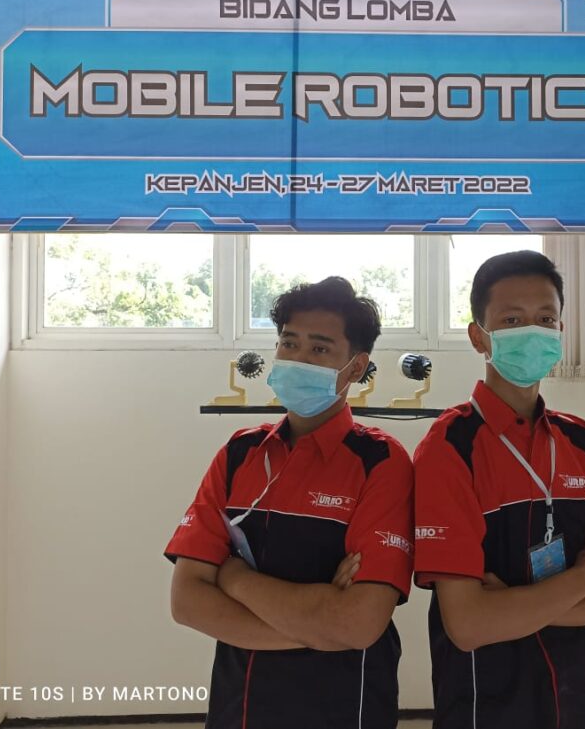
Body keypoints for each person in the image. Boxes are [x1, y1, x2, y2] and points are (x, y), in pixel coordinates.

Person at [413, 250, 585, 729]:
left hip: (583, 704)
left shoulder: (578, 440)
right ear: (479, 337)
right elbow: (468, 625)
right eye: (511, 320)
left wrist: (509, 605)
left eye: (545, 319)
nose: (532, 331)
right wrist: (583, 582)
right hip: (486, 706)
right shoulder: (449, 447)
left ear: (560, 331)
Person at [165, 276, 414, 729]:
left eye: (319, 349)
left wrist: (233, 578)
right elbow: (187, 601)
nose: (298, 359)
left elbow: (359, 624)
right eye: (289, 343)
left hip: (346, 705)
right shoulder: (240, 454)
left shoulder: (380, 461)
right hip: (239, 706)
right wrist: (320, 624)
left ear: (356, 367)